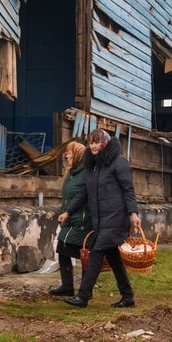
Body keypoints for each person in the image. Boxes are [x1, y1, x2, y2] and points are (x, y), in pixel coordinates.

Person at [58, 129, 140, 308]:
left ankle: (83, 296)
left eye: (96, 142)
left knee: (96, 252)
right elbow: (83, 194)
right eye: (91, 142)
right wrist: (68, 212)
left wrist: (133, 213)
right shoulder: (92, 166)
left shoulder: (119, 163)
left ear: (105, 142)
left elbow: (128, 189)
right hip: (100, 220)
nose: (93, 146)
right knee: (113, 258)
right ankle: (128, 296)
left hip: (116, 218)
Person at [48, 141, 94, 297]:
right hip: (70, 219)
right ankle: (67, 286)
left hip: (82, 220)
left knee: (84, 254)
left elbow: (83, 196)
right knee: (62, 248)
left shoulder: (86, 173)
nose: (66, 155)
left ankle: (84, 290)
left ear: (78, 155)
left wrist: (70, 212)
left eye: (69, 153)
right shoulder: (71, 173)